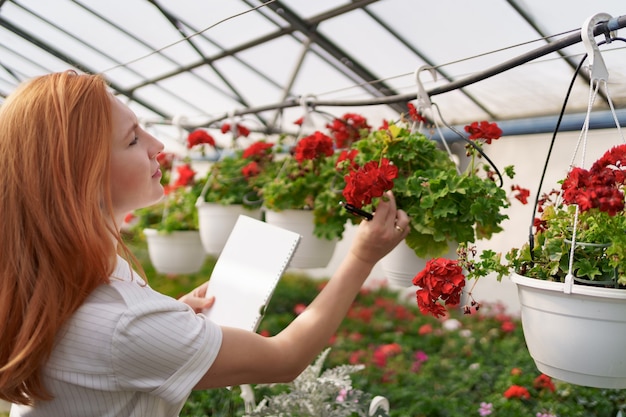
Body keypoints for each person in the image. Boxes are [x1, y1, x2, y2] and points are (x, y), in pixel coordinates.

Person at [0, 71, 410, 417]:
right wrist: (362, 255)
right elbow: (285, 359)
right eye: (131, 140)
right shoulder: (121, 326)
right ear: (80, 176)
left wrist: (166, 318)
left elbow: (108, 347)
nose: (157, 146)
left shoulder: (54, 278)